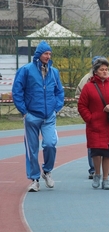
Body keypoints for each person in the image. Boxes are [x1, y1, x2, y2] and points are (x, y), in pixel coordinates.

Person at [12, 41, 65, 192]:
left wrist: (56, 108)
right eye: (45, 53)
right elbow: (17, 91)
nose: (48, 56)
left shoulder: (54, 72)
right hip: (32, 115)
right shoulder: (26, 70)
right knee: (32, 149)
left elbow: (59, 91)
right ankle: (34, 179)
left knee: (50, 144)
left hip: (49, 116)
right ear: (38, 54)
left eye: (50, 54)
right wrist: (24, 112)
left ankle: (47, 171)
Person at [78, 58, 109, 190]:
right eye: (102, 70)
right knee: (96, 152)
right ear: (95, 72)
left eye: (106, 69)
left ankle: (106, 178)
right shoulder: (88, 87)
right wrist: (90, 118)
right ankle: (96, 174)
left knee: (108, 153)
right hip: (95, 125)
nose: (105, 72)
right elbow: (82, 106)